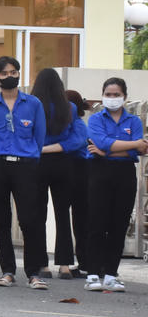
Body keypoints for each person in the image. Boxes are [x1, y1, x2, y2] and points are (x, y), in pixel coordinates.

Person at [0, 55, 48, 289]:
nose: (10, 76)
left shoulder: (33, 104)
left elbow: (39, 137)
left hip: (26, 165)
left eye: (14, 72)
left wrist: (28, 156)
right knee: (2, 220)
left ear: (19, 74)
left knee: (30, 219)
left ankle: (33, 273)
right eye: (4, 73)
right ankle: (7, 271)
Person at [84, 77, 146, 292]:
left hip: (125, 173)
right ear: (103, 96)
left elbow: (139, 149)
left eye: (116, 95)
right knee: (97, 224)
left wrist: (108, 149)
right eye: (108, 95)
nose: (112, 99)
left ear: (124, 97)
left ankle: (111, 274)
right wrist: (127, 146)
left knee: (119, 225)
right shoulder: (96, 119)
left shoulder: (134, 121)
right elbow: (101, 143)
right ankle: (92, 274)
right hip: (100, 171)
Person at [34, 68, 85, 280]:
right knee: (62, 215)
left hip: (36, 163)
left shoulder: (32, 107)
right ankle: (64, 264)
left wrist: (42, 149)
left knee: (37, 215)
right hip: (64, 164)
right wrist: (59, 147)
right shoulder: (70, 108)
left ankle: (41, 264)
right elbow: (80, 138)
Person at [64, 88, 92, 278]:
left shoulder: (77, 125)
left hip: (82, 171)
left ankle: (87, 262)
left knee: (82, 218)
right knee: (78, 219)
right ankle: (83, 261)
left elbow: (75, 146)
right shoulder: (71, 123)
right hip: (75, 171)